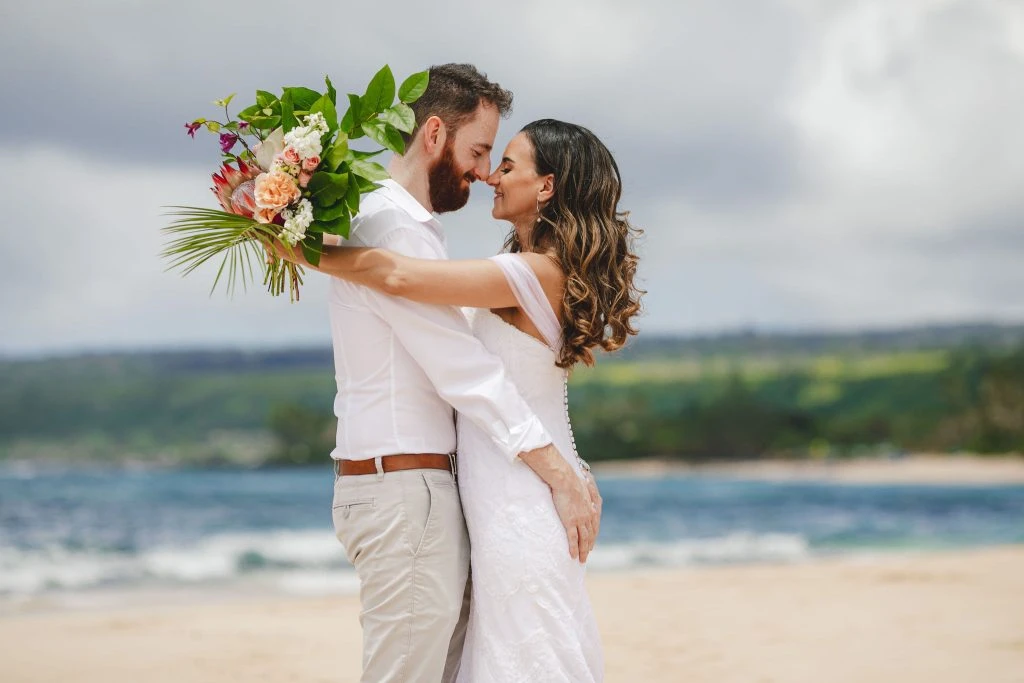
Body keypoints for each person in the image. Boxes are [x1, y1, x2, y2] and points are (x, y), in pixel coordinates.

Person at [275, 117, 643, 681]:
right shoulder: (530, 272)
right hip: (509, 490)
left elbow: (396, 277)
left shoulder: (534, 272)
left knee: (528, 655)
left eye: (509, 165)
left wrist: (285, 239)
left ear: (546, 187)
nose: (492, 175)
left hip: (521, 497)